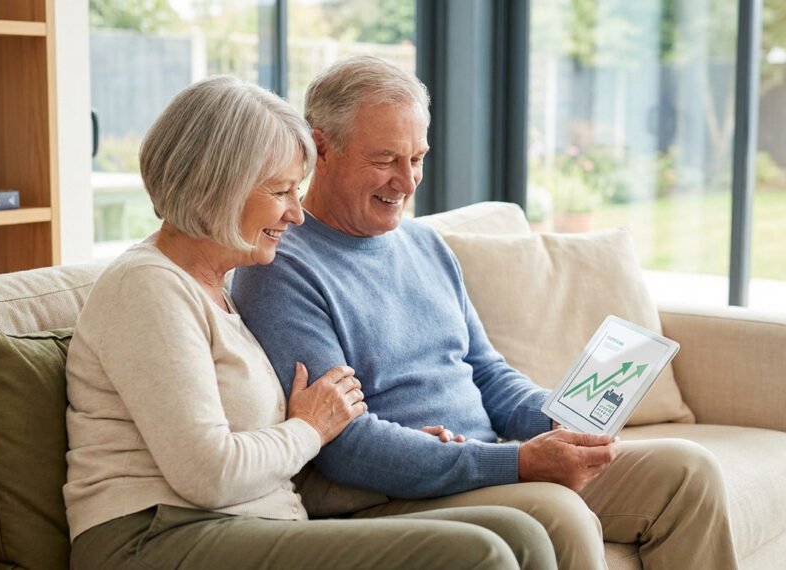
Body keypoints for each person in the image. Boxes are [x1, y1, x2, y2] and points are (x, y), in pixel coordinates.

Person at [231, 56, 739, 570]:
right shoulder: (281, 268)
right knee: (559, 512)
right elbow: (346, 445)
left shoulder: (424, 244)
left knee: (688, 471)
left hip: (484, 461)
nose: (406, 182)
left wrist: (564, 414)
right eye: (385, 160)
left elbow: (487, 373)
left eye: (418, 158)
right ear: (322, 148)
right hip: (392, 497)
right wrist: (516, 462)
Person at [63, 75, 559, 570]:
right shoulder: (148, 287)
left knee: (521, 535)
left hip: (244, 524)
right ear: (220, 188)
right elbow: (209, 473)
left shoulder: (217, 289)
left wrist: (417, 450)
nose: (297, 215)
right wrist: (311, 427)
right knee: (484, 554)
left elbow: (274, 456)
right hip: (155, 536)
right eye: (282, 191)